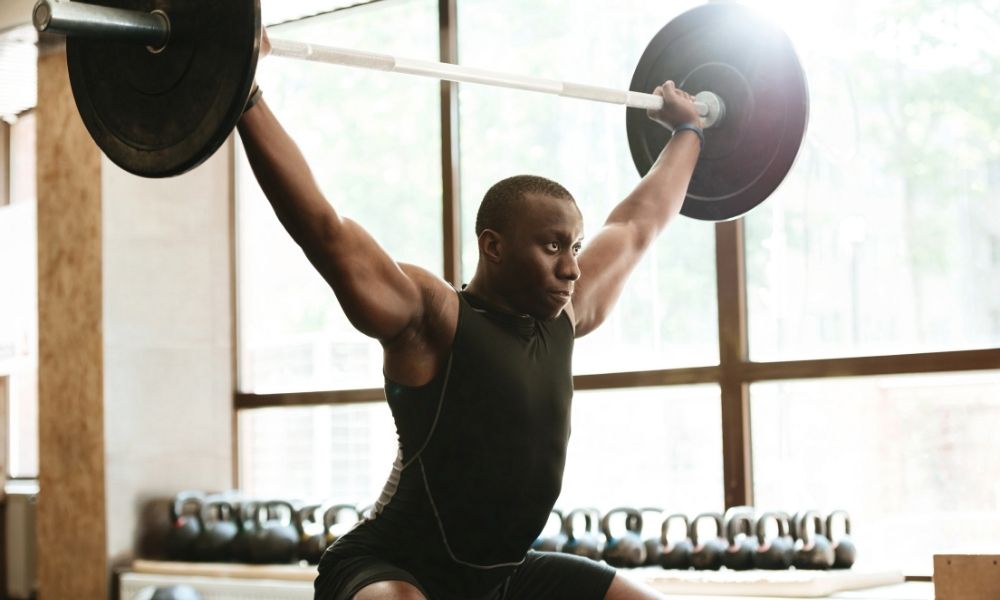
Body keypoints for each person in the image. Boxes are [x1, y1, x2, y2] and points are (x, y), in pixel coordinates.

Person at [238, 29, 702, 600]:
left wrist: (688, 131)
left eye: (575, 247)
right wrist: (244, 93)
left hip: (501, 574)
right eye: (553, 246)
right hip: (392, 565)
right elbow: (326, 234)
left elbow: (638, 224)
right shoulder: (434, 318)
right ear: (494, 246)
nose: (572, 267)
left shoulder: (567, 314)